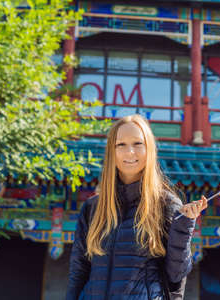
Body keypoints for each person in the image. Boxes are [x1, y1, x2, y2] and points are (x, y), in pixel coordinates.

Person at [66, 114, 207, 300]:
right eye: (121, 145)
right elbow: (79, 271)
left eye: (138, 144)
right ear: (112, 152)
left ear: (149, 149)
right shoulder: (93, 208)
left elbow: (176, 275)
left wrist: (183, 228)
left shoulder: (166, 204)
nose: (129, 152)